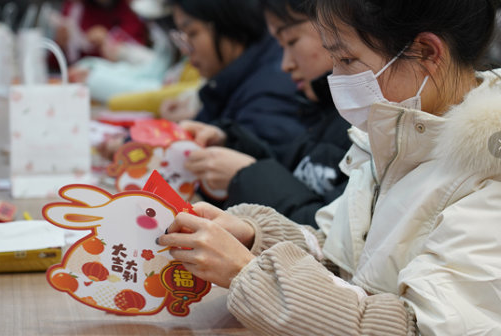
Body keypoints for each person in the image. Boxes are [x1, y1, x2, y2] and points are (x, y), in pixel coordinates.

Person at [157, 0, 501, 334]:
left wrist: (248, 272)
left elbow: (418, 328)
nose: (335, 77)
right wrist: (252, 239)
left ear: (426, 52)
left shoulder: (489, 173)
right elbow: (344, 258)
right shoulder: (394, 138)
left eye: (348, 59)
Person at [179, 0, 351, 226]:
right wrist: (231, 143)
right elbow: (293, 176)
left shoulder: (362, 126)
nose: (286, 65)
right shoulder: (325, 110)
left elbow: (327, 234)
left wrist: (245, 174)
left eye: (292, 41)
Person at [168, 0, 305, 159]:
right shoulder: (238, 78)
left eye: (192, 33)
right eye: (180, 37)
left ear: (227, 23)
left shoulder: (267, 97)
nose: (185, 50)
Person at [54, 0, 149, 64]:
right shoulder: (76, 6)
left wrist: (108, 41)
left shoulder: (132, 7)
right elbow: (55, 65)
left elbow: (141, 58)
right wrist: (61, 45)